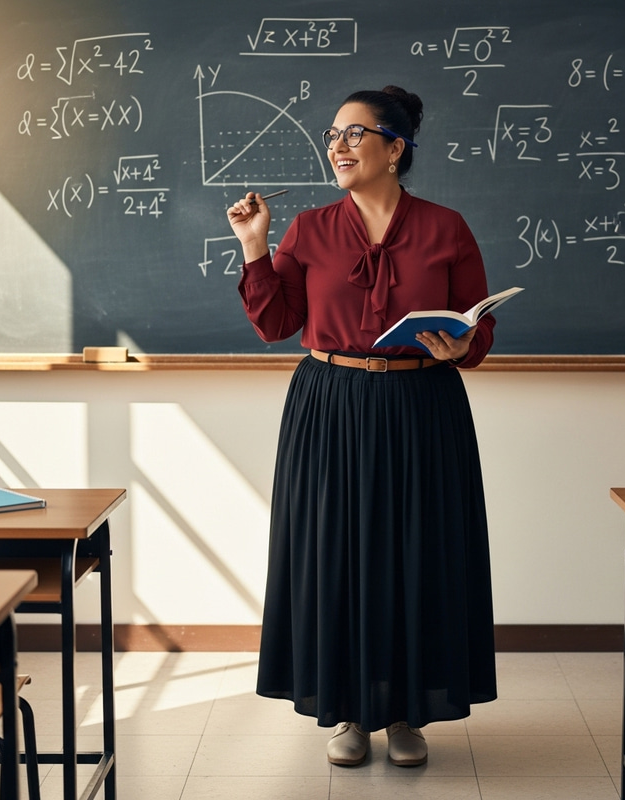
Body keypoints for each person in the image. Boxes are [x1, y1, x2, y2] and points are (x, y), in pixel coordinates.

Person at [227, 85, 497, 768]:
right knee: (334, 553)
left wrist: (463, 345)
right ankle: (346, 711)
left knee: (417, 554)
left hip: (421, 406)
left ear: (396, 147)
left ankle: (407, 713)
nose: (338, 147)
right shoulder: (311, 228)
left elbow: (480, 322)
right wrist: (256, 247)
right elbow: (275, 323)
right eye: (332, 135)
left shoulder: (446, 227)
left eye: (354, 134)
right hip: (330, 404)